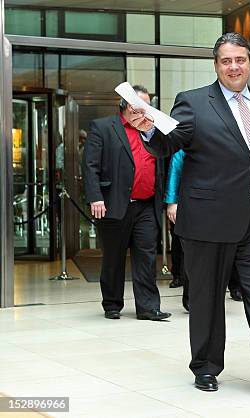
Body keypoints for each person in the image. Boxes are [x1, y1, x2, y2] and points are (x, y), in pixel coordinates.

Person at [132, 32, 250, 399]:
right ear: (216, 65)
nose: (234, 67)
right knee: (207, 299)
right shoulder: (193, 102)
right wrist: (148, 130)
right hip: (208, 221)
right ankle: (206, 367)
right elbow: (168, 144)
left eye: (240, 59)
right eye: (226, 61)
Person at [82, 85, 170, 321]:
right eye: (140, 104)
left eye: (148, 105)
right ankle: (112, 304)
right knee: (113, 257)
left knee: (147, 256)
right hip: (114, 203)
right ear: (126, 104)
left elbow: (163, 160)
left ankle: (148, 307)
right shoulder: (103, 127)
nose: (144, 109)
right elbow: (90, 166)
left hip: (147, 205)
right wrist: (95, 197)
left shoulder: (152, 130)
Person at [164, 150, 243, 310]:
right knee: (193, 254)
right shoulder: (186, 144)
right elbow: (175, 168)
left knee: (226, 251)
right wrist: (172, 202)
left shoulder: (228, 142)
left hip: (223, 205)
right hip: (193, 205)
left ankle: (231, 289)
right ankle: (190, 298)